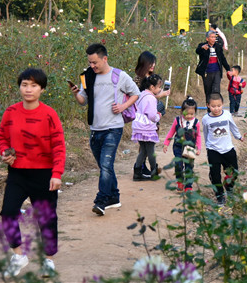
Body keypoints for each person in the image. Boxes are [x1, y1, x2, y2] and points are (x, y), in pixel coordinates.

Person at [0, 68, 66, 278]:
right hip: (17, 173)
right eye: (24, 85)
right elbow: (2, 137)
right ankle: (19, 255)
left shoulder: (49, 114)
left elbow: (58, 146)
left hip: (44, 174)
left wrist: (57, 173)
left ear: (42, 89)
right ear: (19, 87)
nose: (28, 89)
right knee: (8, 214)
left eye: (34, 85)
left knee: (46, 219)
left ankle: (48, 260)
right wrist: (5, 153)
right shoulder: (11, 112)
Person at [70, 43, 139, 216]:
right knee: (104, 166)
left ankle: (101, 201)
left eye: (95, 62)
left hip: (113, 128)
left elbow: (136, 93)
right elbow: (83, 101)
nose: (92, 66)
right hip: (95, 128)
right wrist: (75, 93)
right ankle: (114, 196)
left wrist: (123, 106)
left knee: (106, 164)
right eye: (90, 62)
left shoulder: (119, 75)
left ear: (104, 58)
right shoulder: (87, 76)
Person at [133, 51, 171, 178]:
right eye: (151, 63)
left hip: (151, 115)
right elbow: (140, 98)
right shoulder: (138, 79)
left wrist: (161, 95)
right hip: (146, 117)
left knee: (147, 146)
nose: (153, 65)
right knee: (146, 146)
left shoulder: (152, 77)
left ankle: (142, 168)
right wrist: (160, 96)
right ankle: (144, 167)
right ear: (144, 63)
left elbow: (150, 96)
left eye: (154, 62)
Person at [201, 93, 243, 206]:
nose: (216, 108)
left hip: (228, 149)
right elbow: (205, 132)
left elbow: (233, 127)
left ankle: (229, 188)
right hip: (213, 150)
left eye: (219, 106)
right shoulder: (206, 119)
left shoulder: (227, 115)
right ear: (208, 105)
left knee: (233, 172)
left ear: (222, 104)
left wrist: (239, 136)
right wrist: (207, 146)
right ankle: (220, 196)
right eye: (213, 106)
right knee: (215, 175)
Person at [163, 96, 202, 192]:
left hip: (190, 147)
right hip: (178, 147)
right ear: (181, 111)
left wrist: (199, 148)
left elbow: (198, 136)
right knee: (178, 165)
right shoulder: (177, 120)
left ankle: (188, 185)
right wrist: (166, 143)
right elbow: (171, 132)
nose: (189, 116)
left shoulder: (196, 122)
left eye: (192, 114)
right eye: (186, 113)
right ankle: (180, 182)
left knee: (189, 166)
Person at [132, 74, 164, 181]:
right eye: (159, 87)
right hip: (147, 128)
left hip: (138, 126)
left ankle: (137, 173)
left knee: (143, 151)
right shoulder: (151, 98)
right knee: (151, 151)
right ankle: (154, 172)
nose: (160, 89)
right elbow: (151, 116)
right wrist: (158, 116)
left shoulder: (141, 94)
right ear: (152, 87)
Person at [196, 30, 231, 106]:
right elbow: (197, 51)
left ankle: (216, 107)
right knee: (208, 91)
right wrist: (202, 48)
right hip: (207, 72)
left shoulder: (218, 46)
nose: (213, 39)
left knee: (216, 90)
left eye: (214, 37)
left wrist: (228, 69)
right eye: (212, 37)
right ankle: (209, 108)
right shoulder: (203, 46)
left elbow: (222, 58)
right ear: (207, 39)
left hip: (217, 71)